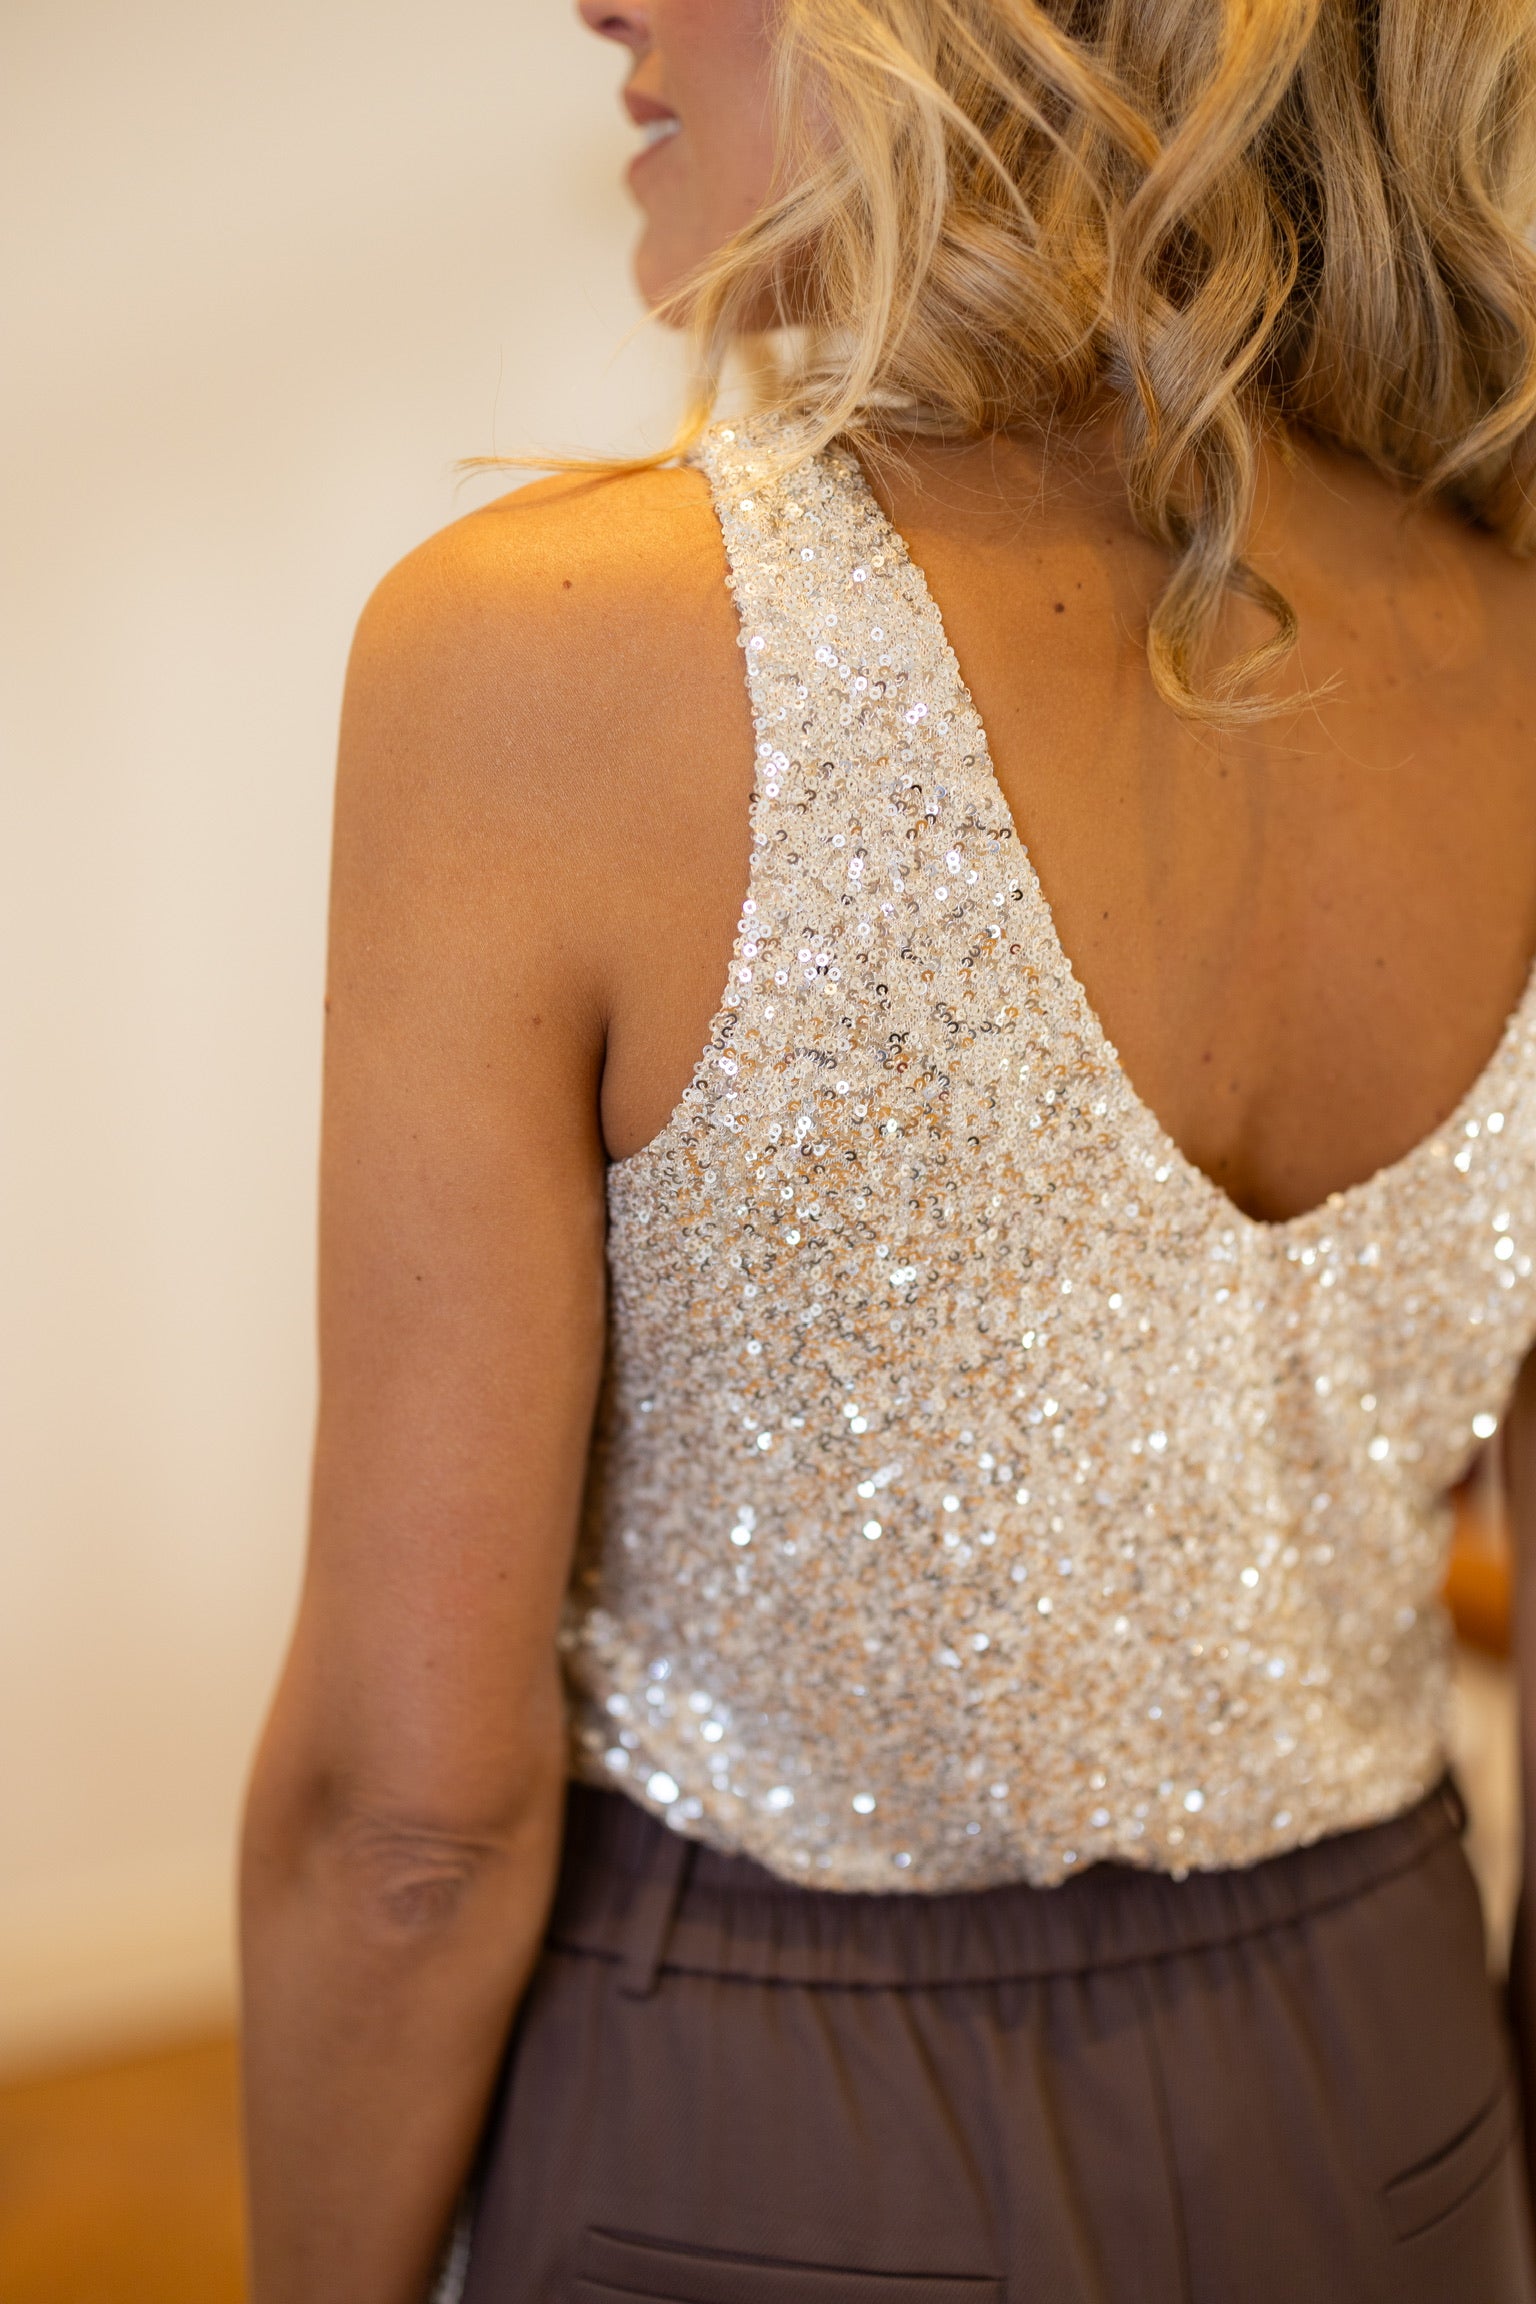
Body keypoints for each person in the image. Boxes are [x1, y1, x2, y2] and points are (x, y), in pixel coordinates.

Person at [239, 2, 1536, 2298]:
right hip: (1390, 2106)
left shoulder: (545, 655)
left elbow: (407, 1830)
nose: (603, 2)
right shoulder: (1509, 645)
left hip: (744, 2151)